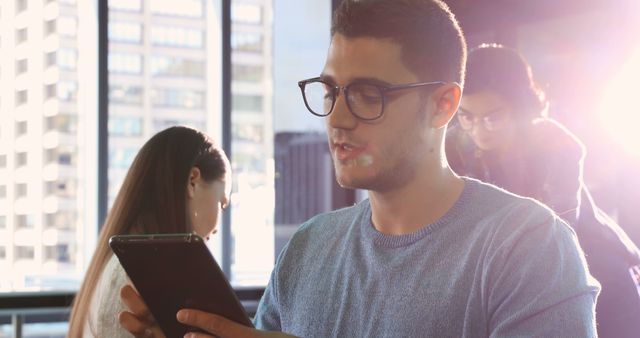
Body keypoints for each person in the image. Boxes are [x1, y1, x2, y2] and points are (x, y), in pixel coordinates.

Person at [119, 1, 600, 337]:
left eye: (368, 95)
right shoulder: (308, 247)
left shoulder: (529, 246)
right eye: (330, 91)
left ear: (442, 105)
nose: (337, 118)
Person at [446, 43, 640, 338]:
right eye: (467, 116)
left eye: (493, 117)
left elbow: (559, 233)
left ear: (520, 106)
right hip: (513, 272)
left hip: (593, 264)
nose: (478, 130)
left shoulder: (556, 144)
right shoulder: (455, 146)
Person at [66, 126, 231, 337]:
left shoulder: (121, 263)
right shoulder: (138, 275)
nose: (218, 228)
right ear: (193, 181)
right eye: (222, 203)